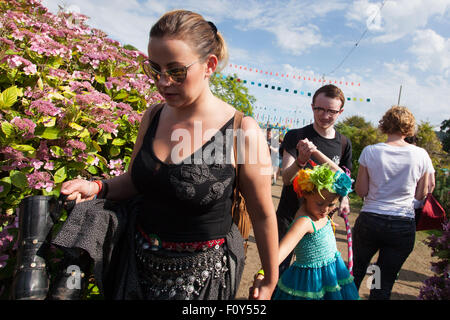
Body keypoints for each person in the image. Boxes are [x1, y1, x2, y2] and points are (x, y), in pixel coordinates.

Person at [58, 10, 278, 300]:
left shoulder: (241, 131)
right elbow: (137, 180)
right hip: (134, 271)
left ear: (209, 65)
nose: (163, 82)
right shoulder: (153, 115)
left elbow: (262, 214)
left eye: (176, 71)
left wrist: (270, 278)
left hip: (202, 284)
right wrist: (99, 186)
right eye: (155, 69)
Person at [353, 106, 430, 300]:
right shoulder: (421, 155)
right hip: (402, 223)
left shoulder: (370, 152)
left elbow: (361, 191)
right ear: (409, 128)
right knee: (383, 281)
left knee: (356, 272)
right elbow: (421, 194)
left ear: (384, 125)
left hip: (370, 219)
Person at [250, 163, 359, 300]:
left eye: (331, 204)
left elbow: (341, 174)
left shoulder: (321, 213)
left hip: (332, 273)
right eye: (320, 203)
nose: (325, 210)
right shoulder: (305, 222)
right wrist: (262, 273)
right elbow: (280, 253)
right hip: (310, 281)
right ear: (306, 194)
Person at [276, 84, 352, 276]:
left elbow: (345, 182)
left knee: (313, 276)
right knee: (279, 269)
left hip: (320, 222)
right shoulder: (296, 136)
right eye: (320, 109)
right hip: (289, 217)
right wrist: (300, 161)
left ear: (340, 112)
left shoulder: (343, 143)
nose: (324, 115)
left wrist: (344, 199)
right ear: (312, 107)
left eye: (331, 111)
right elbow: (286, 178)